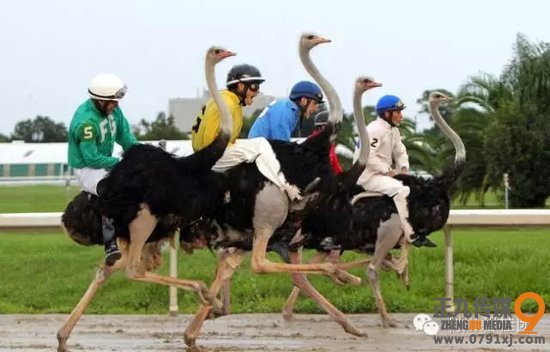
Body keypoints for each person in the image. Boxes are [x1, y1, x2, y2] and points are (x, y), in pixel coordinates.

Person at [191, 64, 301, 200]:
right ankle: (288, 187)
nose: (257, 92)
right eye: (254, 87)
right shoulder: (230, 106)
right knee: (260, 144)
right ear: (241, 86)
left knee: (250, 148)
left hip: (204, 155)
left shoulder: (223, 99)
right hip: (209, 157)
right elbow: (210, 142)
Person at [67, 73, 138, 266]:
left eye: (117, 101)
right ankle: (110, 244)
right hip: (87, 168)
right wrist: (119, 163)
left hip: (104, 161)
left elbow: (126, 139)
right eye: (112, 102)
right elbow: (92, 158)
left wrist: (142, 154)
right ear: (100, 100)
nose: (116, 105)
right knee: (110, 190)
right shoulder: (86, 123)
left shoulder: (114, 111)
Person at [354, 94, 416, 244]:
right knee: (402, 190)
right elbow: (367, 156)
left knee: (411, 185)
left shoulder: (393, 130)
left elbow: (400, 151)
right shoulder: (374, 130)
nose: (401, 116)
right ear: (387, 113)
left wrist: (403, 169)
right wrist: (388, 170)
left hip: (381, 175)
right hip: (368, 176)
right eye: (398, 112)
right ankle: (410, 233)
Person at [248, 80, 323, 140]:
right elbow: (282, 145)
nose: (316, 108)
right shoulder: (285, 112)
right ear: (303, 100)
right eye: (315, 103)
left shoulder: (289, 109)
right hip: (259, 152)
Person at [309, 109, 343, 174]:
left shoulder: (329, 143)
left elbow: (336, 167)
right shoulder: (311, 143)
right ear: (321, 127)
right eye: (332, 126)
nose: (334, 129)